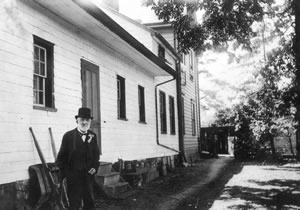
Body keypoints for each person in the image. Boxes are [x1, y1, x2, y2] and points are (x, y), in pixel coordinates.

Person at [56, 107, 100, 210]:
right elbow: (60, 159)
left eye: (87, 120)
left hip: (88, 177)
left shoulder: (93, 136)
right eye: (82, 120)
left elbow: (96, 155)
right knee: (74, 204)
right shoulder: (68, 136)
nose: (85, 122)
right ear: (77, 120)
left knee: (89, 203)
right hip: (74, 178)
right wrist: (68, 173)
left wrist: (94, 167)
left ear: (90, 121)